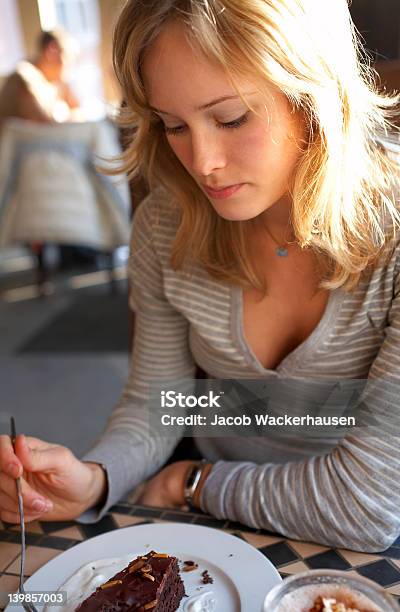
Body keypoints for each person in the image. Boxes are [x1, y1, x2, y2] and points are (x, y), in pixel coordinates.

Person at [1, 0, 399, 553]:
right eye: (173, 125)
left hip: (355, 542)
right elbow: (163, 401)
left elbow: (369, 505)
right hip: (220, 519)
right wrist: (95, 477)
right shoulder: (167, 222)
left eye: (231, 118)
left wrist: (193, 483)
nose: (202, 161)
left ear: (313, 96)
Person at [0, 29, 80, 129]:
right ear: (52, 50)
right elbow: (46, 127)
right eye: (68, 58)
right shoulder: (25, 77)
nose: (69, 68)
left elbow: (77, 109)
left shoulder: (48, 82)